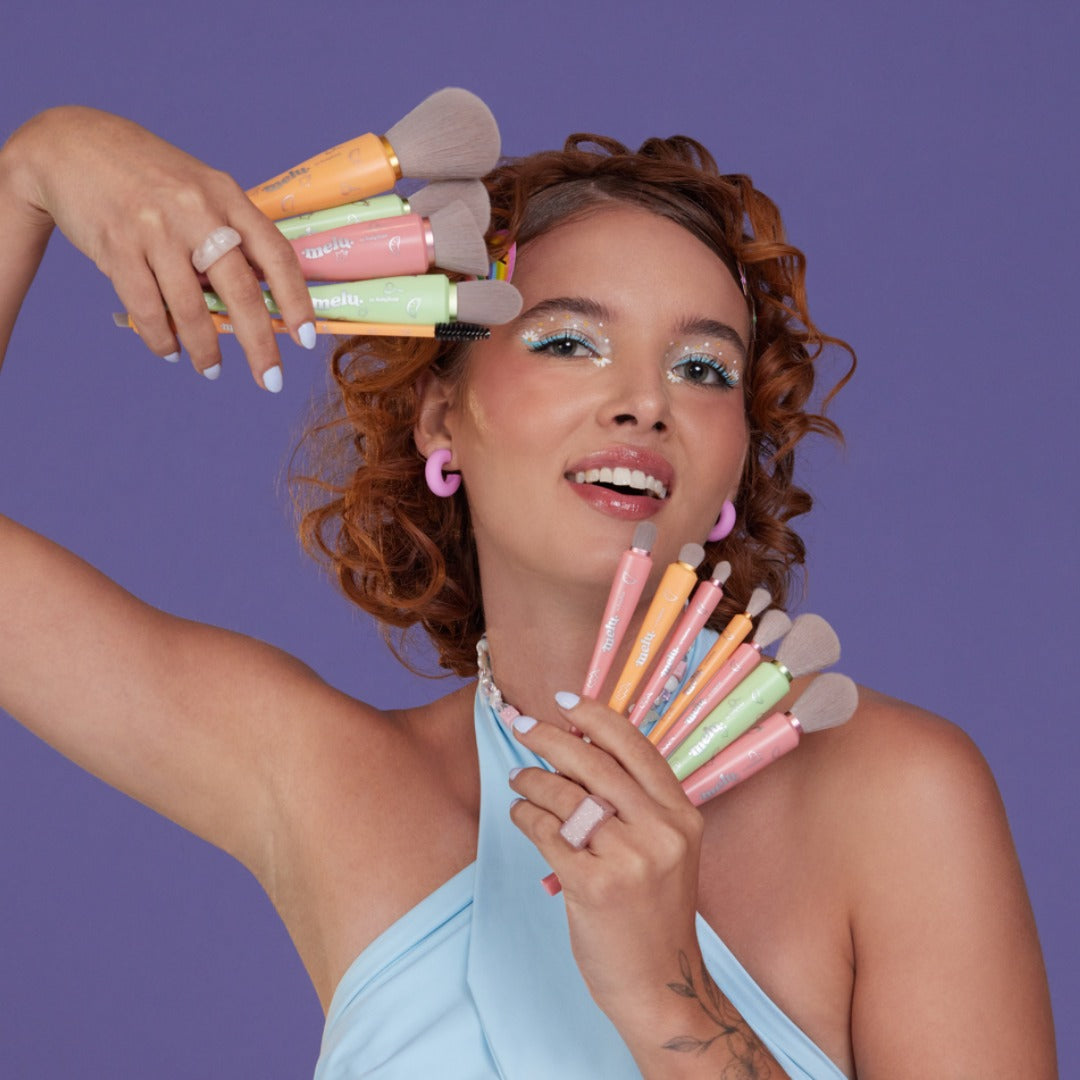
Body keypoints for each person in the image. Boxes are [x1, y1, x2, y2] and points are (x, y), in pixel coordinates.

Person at [0, 106, 1056, 1079]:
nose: (643, 402)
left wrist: (666, 994)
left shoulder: (896, 799)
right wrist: (43, 163)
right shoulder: (326, 782)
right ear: (441, 419)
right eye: (568, 342)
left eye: (702, 369)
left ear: (736, 467)